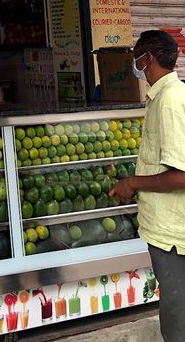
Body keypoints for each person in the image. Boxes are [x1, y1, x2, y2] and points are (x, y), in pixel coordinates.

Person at [108, 29, 185, 342]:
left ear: (148, 58)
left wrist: (133, 182)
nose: (134, 65)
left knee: (177, 312)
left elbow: (181, 175)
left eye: (136, 56)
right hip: (167, 229)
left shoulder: (169, 101)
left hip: (172, 234)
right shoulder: (163, 97)